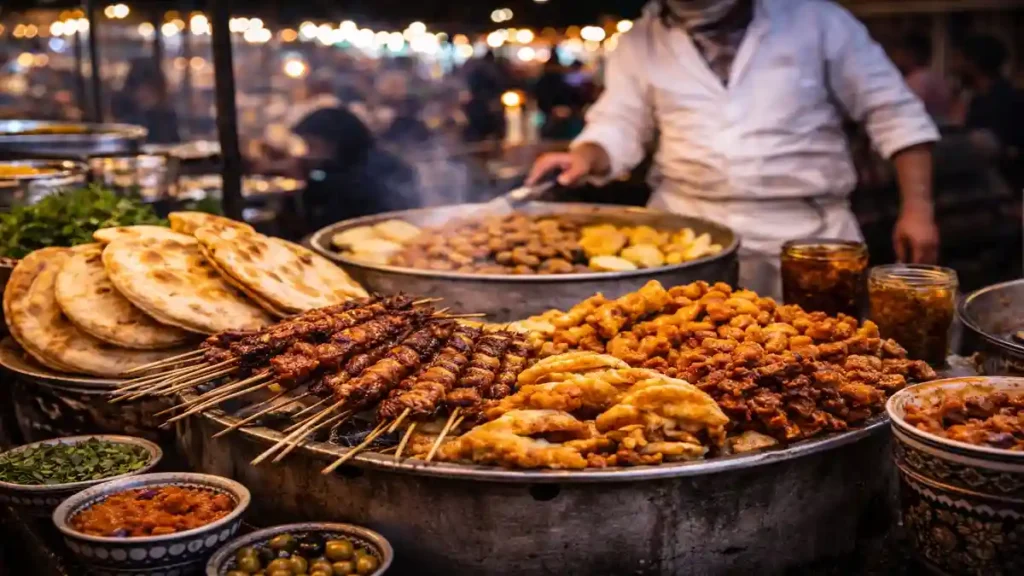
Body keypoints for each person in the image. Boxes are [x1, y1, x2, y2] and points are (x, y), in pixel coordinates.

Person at [528, 0, 940, 296]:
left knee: (821, 368)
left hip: (809, 235)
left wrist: (917, 210)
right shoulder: (640, 40)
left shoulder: (818, 19)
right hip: (685, 234)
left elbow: (894, 112)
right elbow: (618, 124)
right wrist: (584, 155)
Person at [292, 107, 419, 230]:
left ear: (334, 141)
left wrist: (310, 175)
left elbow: (335, 196)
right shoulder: (339, 163)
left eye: (311, 145)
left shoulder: (374, 167)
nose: (308, 153)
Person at [111, 59, 180, 144]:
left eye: (149, 90)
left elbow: (175, 144)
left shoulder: (167, 116)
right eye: (140, 89)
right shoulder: (126, 120)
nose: (144, 94)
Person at [891, 32, 952, 122]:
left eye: (898, 54)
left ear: (910, 55)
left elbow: (907, 113)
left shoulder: (917, 80)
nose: (894, 58)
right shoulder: (936, 78)